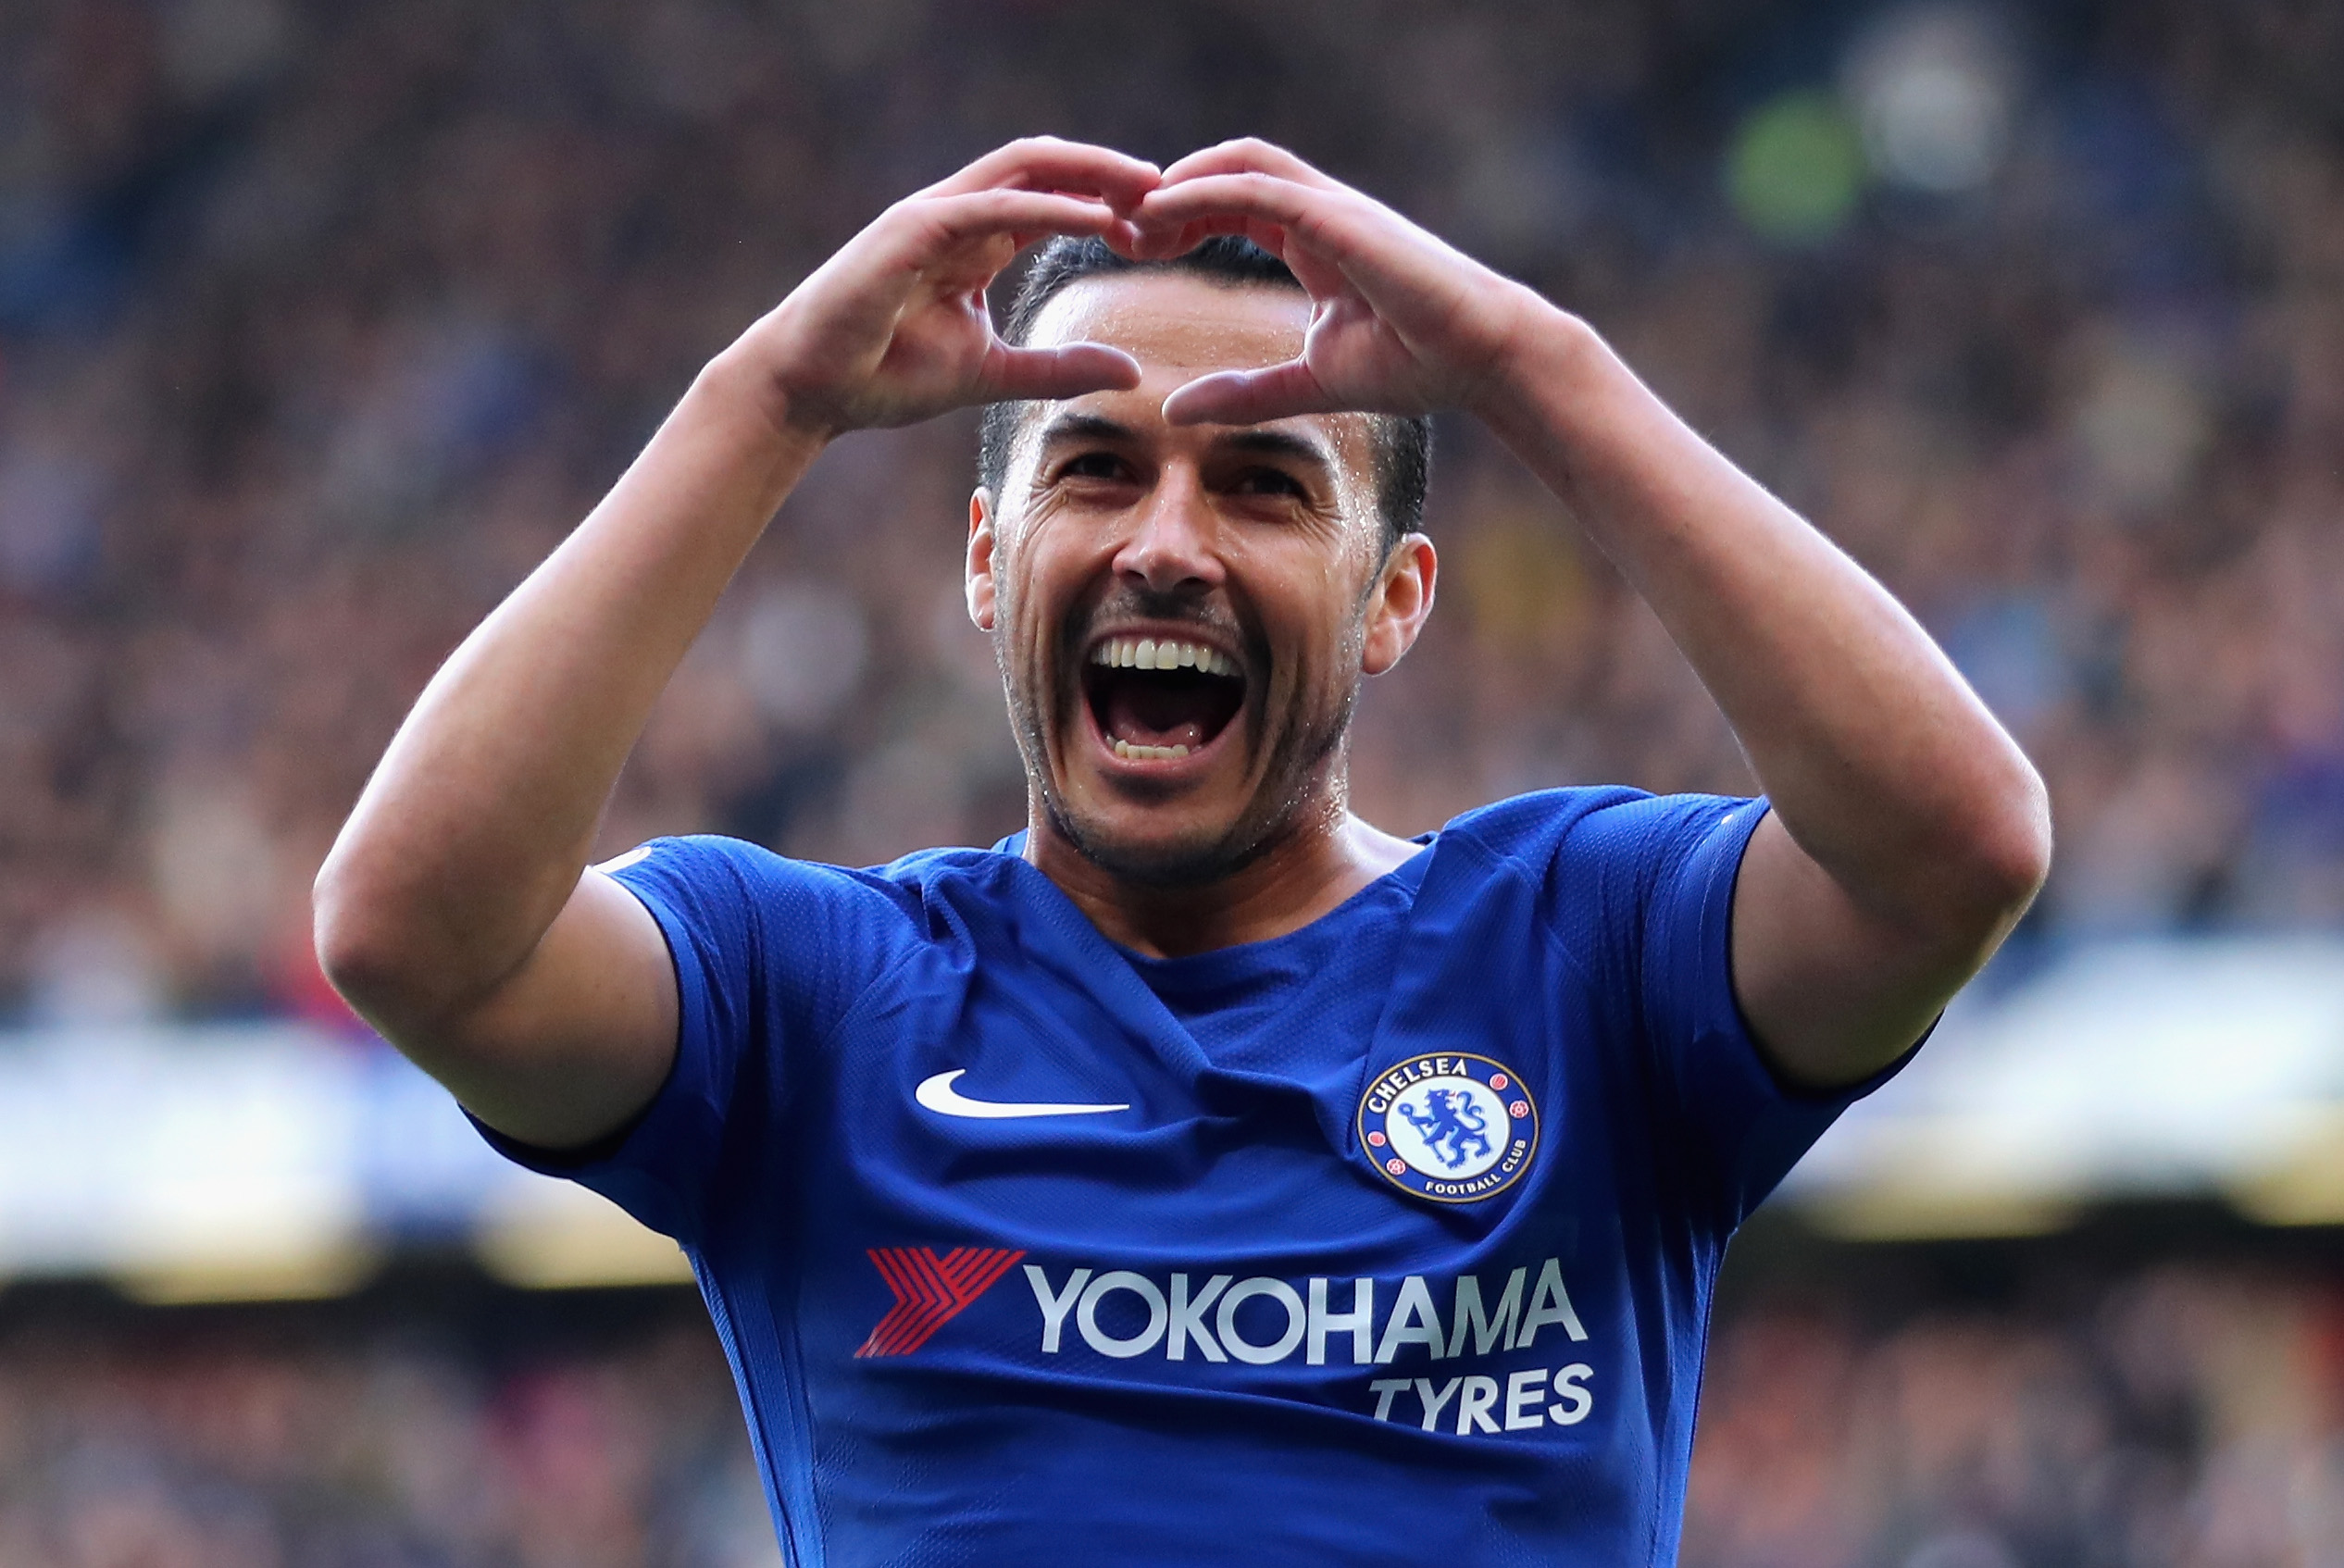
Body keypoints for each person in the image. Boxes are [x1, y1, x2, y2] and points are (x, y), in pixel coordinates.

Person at [314, 137, 2049, 1562]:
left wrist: (1541, 369)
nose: (1166, 544)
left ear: (1393, 602)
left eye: (1265, 486)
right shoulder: (814, 1000)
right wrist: (763, 399)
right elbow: (413, 932)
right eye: (1095, 469)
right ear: (988, 563)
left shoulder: (1583, 951)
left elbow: (1952, 848)